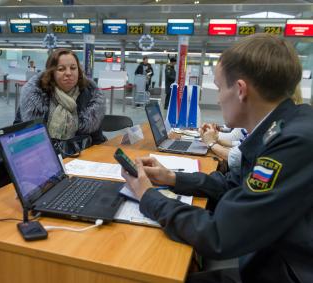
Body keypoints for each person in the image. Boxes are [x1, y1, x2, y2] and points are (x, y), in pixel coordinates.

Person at [122, 33, 313, 283]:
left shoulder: (294, 143)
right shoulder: (282, 127)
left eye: (220, 87)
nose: (219, 97)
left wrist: (148, 196)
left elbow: (218, 235)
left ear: (241, 90)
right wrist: (171, 178)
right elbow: (233, 185)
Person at [16, 48, 105, 144]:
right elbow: (18, 133)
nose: (68, 73)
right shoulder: (35, 96)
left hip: (80, 156)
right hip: (42, 154)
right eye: (61, 69)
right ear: (51, 73)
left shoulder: (90, 97)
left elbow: (97, 140)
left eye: (73, 68)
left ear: (79, 71)